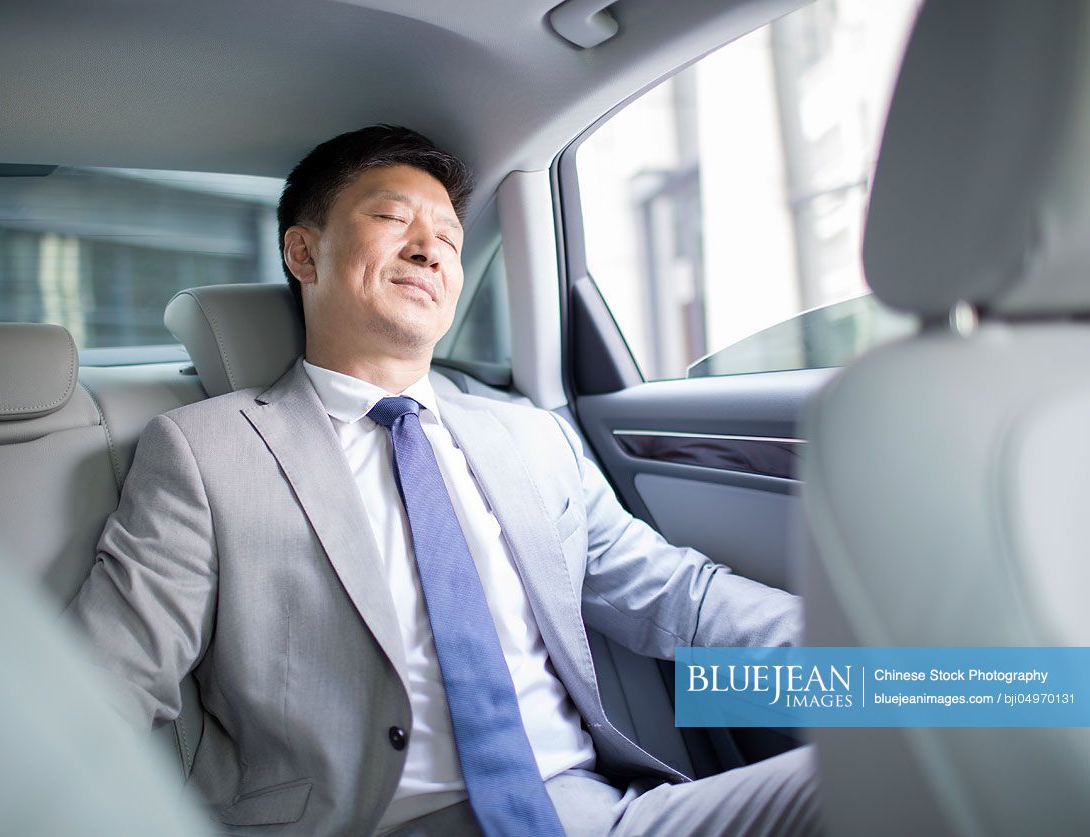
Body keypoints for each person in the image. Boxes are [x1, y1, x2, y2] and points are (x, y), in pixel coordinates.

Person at [66, 125, 820, 836]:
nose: (430, 248)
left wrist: (898, 676)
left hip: (591, 813)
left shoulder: (527, 433)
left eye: (451, 239)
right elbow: (107, 685)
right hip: (372, 822)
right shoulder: (207, 450)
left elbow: (673, 597)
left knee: (904, 748)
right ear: (304, 252)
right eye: (393, 218)